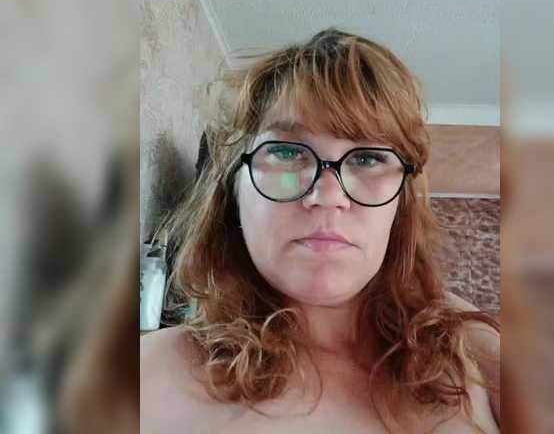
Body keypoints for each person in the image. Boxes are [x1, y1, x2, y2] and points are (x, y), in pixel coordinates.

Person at [141, 28, 500, 433]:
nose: (328, 196)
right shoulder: (147, 377)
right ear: (232, 189)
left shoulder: (475, 363)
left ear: (401, 204)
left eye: (367, 158)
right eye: (287, 152)